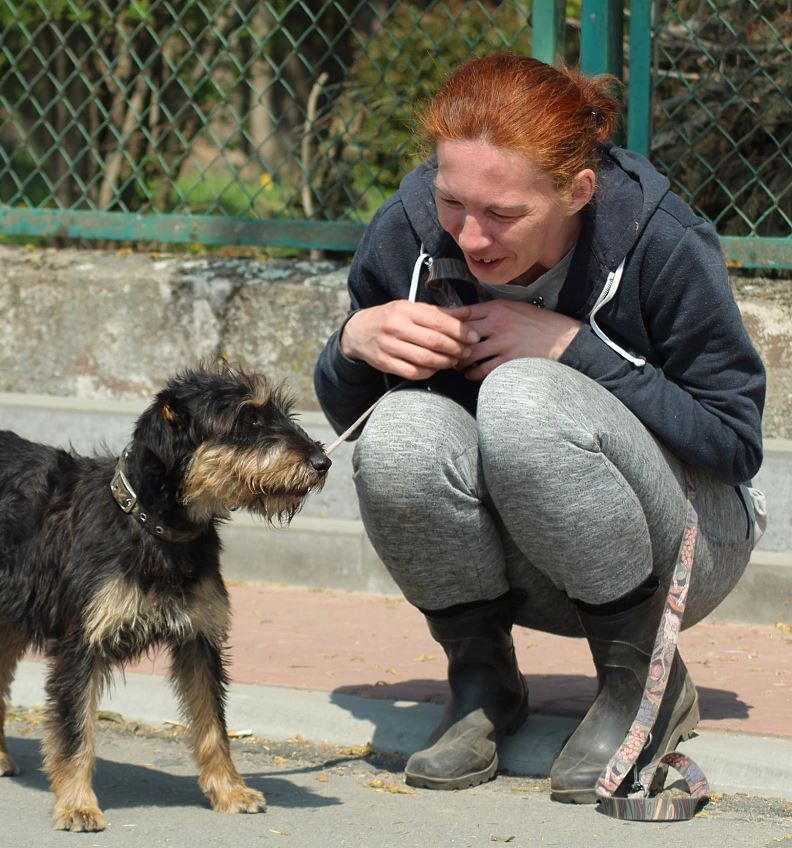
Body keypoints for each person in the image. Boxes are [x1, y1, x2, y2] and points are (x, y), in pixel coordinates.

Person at [313, 52, 766, 803]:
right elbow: (354, 425)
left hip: (683, 546)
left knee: (523, 394)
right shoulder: (408, 231)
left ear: (577, 192)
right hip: (517, 554)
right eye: (452, 201)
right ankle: (483, 684)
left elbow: (735, 443)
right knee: (398, 432)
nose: (471, 237)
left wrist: (575, 350)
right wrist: (352, 345)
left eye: (503, 214)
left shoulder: (663, 240)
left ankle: (640, 688)